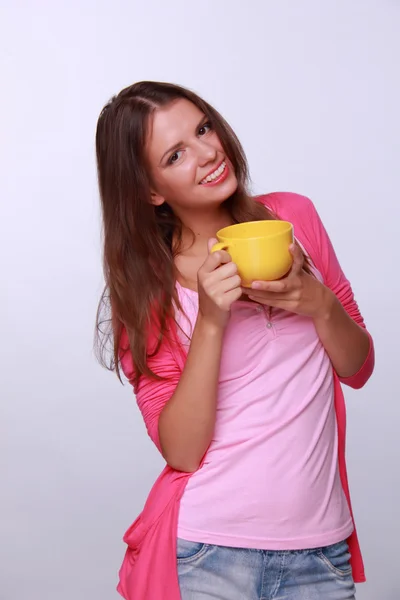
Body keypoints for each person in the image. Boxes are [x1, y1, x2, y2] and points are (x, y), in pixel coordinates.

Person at [95, 81, 374, 600]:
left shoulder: (296, 219)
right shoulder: (151, 289)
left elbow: (358, 367)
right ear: (151, 191)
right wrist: (211, 321)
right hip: (207, 552)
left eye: (203, 128)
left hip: (321, 551)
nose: (207, 153)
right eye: (176, 154)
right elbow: (180, 450)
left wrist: (318, 303)